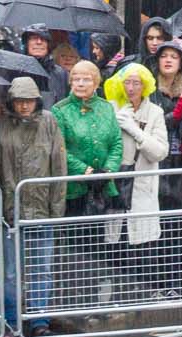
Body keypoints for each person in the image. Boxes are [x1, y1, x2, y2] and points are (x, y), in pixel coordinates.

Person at [0, 76, 66, 334]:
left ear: (37, 101)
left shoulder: (49, 122)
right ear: (12, 102)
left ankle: (39, 320)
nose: (24, 106)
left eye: (29, 101)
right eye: (20, 101)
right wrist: (1, 209)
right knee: (9, 271)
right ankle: (11, 320)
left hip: (42, 206)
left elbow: (59, 167)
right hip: (11, 209)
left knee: (41, 268)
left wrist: (57, 211)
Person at [53, 61, 121, 302]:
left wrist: (108, 170)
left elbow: (116, 143)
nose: (81, 84)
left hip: (102, 188)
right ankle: (72, 299)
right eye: (76, 79)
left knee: (97, 247)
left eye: (86, 79)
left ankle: (92, 298)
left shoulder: (106, 108)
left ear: (96, 83)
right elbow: (60, 148)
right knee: (74, 247)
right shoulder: (60, 110)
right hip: (75, 189)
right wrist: (86, 171)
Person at [109, 64, 168, 299]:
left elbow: (159, 152)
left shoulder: (155, 112)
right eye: (127, 82)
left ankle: (141, 298)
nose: (131, 88)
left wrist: (135, 130)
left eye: (136, 83)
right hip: (117, 189)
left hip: (143, 191)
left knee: (142, 249)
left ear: (145, 86)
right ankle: (118, 299)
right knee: (116, 248)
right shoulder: (111, 109)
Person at [23, 26, 71, 104]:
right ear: (26, 43)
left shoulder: (61, 73)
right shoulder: (16, 71)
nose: (39, 42)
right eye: (34, 38)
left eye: (43, 39)